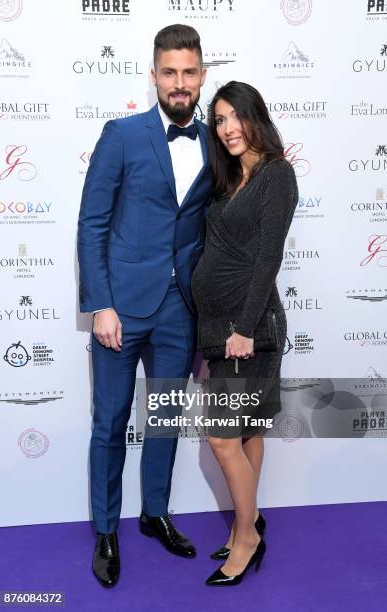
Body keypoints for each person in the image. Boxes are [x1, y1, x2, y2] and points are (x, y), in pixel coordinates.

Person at [77, 24, 212, 588]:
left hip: (180, 310)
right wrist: (100, 304)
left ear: (202, 75)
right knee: (109, 423)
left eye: (189, 73)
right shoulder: (123, 134)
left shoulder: (216, 142)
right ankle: (106, 530)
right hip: (122, 309)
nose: (179, 84)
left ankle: (154, 513)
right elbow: (92, 222)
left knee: (163, 422)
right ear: (154, 75)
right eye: (169, 72)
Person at [191, 81, 298, 586]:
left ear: (257, 117)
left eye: (237, 116)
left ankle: (248, 536)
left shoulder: (277, 175)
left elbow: (267, 258)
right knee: (249, 430)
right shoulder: (231, 177)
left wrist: (244, 328)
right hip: (220, 326)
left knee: (222, 437)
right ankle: (244, 525)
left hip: (248, 329)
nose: (229, 128)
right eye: (219, 119)